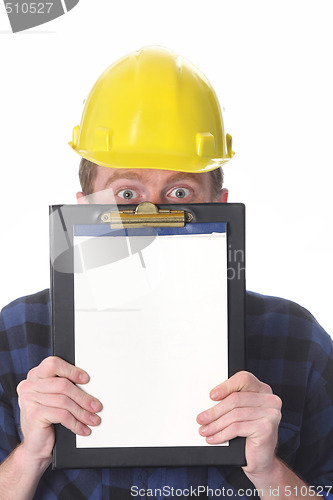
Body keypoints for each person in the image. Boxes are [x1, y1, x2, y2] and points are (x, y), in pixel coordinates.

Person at [0, 47, 332, 500]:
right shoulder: (16, 333)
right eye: (126, 191)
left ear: (219, 204)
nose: (151, 214)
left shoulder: (297, 338)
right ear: (85, 207)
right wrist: (29, 457)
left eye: (180, 190)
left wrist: (270, 472)